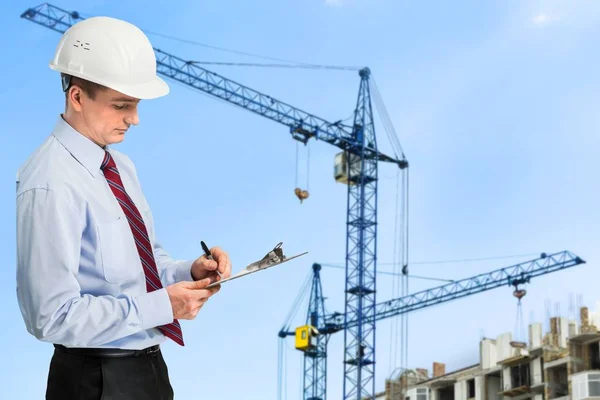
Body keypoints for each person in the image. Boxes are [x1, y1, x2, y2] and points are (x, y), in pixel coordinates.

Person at [15, 15, 231, 400]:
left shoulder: (120, 167)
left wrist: (189, 271)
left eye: (135, 105)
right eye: (121, 105)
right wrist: (162, 306)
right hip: (94, 381)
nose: (134, 119)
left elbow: (143, 261)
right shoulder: (49, 181)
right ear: (77, 96)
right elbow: (50, 317)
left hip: (148, 370)